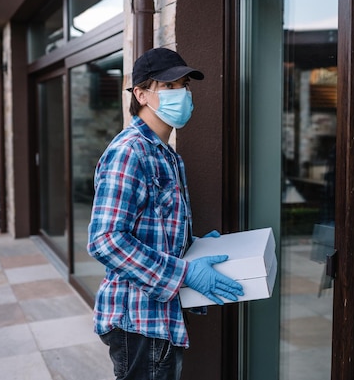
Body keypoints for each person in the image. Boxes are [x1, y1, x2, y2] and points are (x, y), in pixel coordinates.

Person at [87, 47, 244, 380]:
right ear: (141, 94)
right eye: (170, 87)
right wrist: (184, 274)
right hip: (138, 320)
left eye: (185, 85)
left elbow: (153, 229)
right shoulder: (130, 151)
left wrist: (194, 245)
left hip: (158, 316)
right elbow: (105, 241)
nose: (182, 94)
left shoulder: (165, 154)